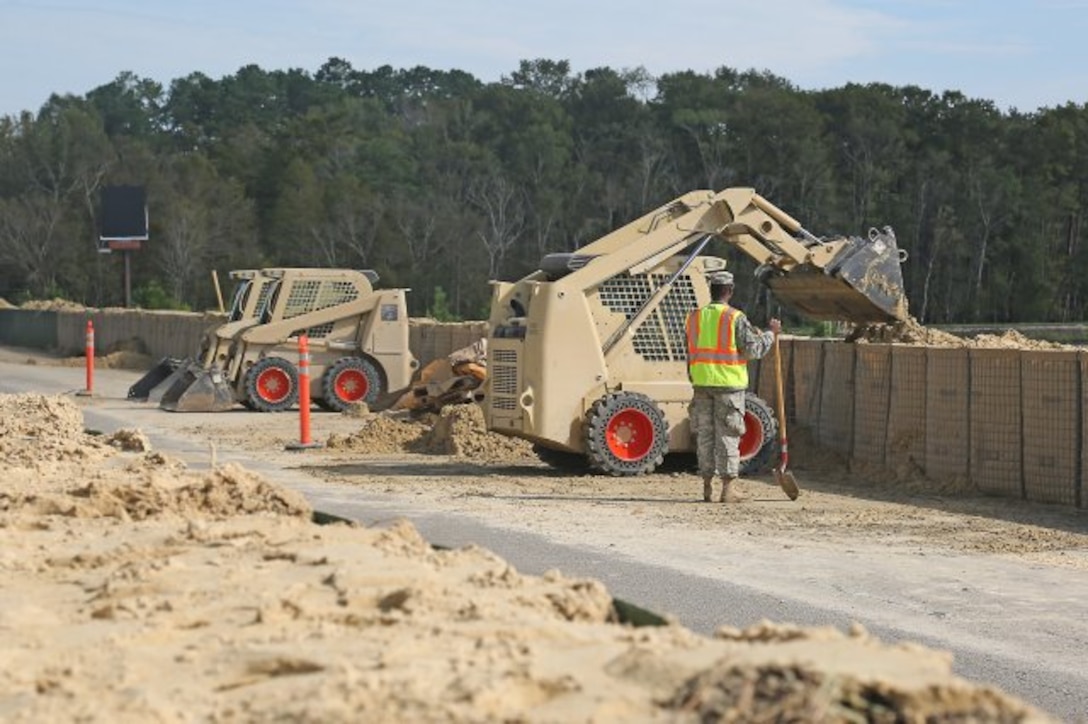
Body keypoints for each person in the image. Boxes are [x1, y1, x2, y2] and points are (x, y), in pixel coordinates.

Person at [685, 271, 781, 503]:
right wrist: (770, 334)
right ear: (730, 290)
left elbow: (691, 349)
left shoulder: (694, 318)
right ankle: (728, 490)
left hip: (701, 384)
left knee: (705, 436)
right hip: (728, 385)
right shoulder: (734, 317)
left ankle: (707, 486)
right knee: (728, 435)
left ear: (712, 290)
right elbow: (753, 350)